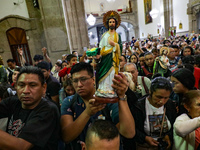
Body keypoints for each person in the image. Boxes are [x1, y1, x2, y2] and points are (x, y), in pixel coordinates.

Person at [61, 62, 135, 149]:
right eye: (75, 81)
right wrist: (87, 113)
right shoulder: (69, 102)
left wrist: (122, 96)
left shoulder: (107, 100)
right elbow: (66, 137)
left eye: (83, 79)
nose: (79, 85)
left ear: (93, 79)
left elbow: (129, 133)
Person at [0, 66, 60, 149]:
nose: (26, 91)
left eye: (32, 85)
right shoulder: (12, 102)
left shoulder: (48, 109)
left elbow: (21, 146)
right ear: (16, 86)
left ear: (44, 88)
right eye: (21, 85)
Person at [132, 77, 177, 150]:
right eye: (158, 97)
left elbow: (174, 124)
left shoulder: (170, 105)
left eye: (166, 98)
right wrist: (145, 138)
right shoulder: (139, 106)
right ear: (150, 92)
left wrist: (168, 136)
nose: (162, 101)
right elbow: (132, 129)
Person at [95, 10, 122, 99]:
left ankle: (111, 90)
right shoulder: (104, 35)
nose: (112, 23)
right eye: (110, 22)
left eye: (113, 22)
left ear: (116, 23)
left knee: (112, 73)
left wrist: (115, 45)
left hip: (113, 57)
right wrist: (99, 55)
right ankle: (103, 90)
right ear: (107, 23)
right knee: (103, 73)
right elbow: (100, 46)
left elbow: (120, 46)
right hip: (105, 57)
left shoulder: (118, 35)